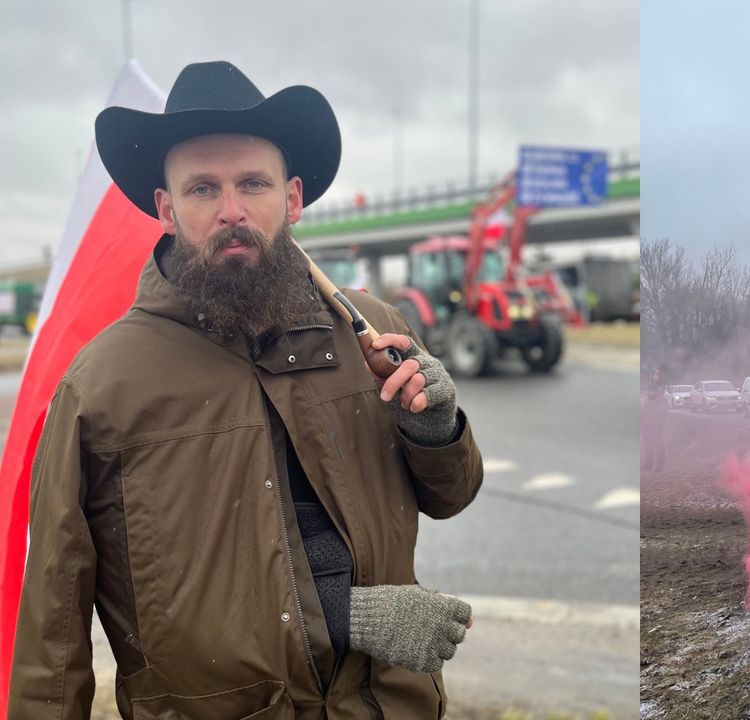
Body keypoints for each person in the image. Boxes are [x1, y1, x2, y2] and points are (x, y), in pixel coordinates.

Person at [9, 61, 483, 719]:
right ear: (166, 210)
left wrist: (438, 430)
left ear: (290, 199)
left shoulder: (374, 333)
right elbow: (52, 641)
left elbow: (452, 494)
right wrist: (337, 613)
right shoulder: (100, 390)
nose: (231, 211)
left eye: (252, 183)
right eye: (203, 189)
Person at [641, 384, 668, 472]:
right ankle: (648, 463)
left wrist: (649, 415)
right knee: (648, 445)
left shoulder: (662, 399)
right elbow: (644, 410)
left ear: (656, 391)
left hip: (657, 426)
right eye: (648, 392)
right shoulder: (649, 399)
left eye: (650, 392)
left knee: (658, 446)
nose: (649, 393)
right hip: (646, 426)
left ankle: (660, 466)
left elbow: (661, 411)